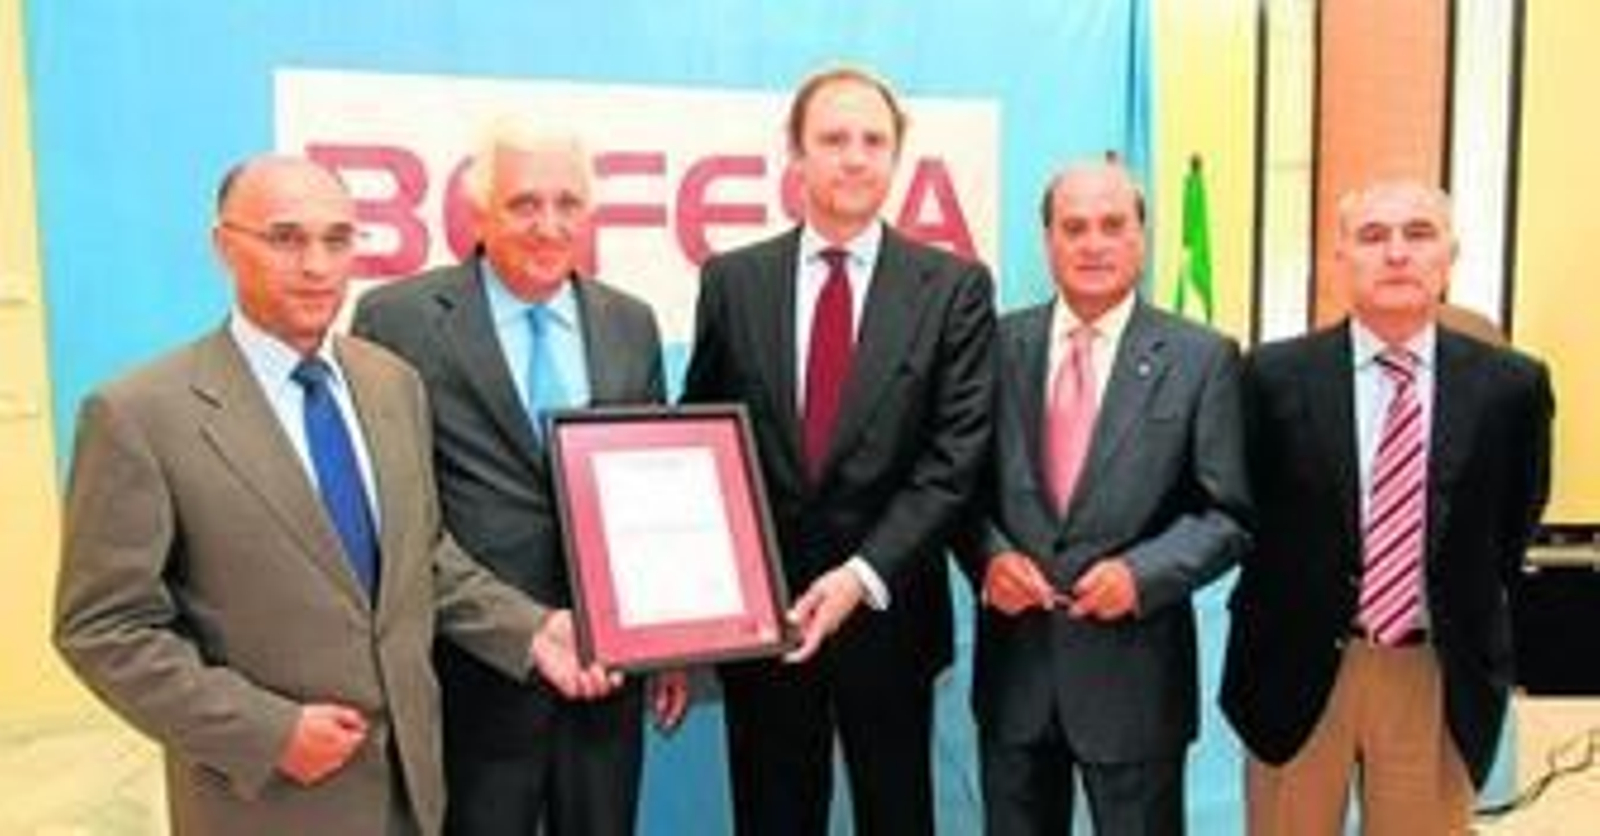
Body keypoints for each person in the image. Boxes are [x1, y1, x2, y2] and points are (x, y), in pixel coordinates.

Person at [52, 155, 617, 836]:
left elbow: (421, 559)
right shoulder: (140, 414)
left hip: (415, 793)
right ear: (223, 245)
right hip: (268, 804)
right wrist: (266, 731)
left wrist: (530, 629)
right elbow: (104, 628)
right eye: (285, 238)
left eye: (338, 239)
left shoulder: (392, 384)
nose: (317, 265)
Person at [681, 65, 996, 835]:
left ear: (896, 157)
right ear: (796, 155)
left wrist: (860, 576)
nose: (854, 157)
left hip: (887, 618)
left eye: (873, 141)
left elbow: (955, 459)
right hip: (766, 629)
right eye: (832, 139)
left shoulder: (953, 287)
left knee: (897, 817)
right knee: (771, 818)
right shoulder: (733, 281)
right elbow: (701, 445)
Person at [352, 122, 686, 836]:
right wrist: (515, 628)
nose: (549, 225)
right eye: (524, 203)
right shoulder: (396, 321)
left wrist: (667, 639)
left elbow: (648, 493)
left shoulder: (630, 322)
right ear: (478, 210)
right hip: (470, 675)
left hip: (606, 678)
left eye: (568, 203)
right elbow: (392, 515)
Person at [1221, 179, 1554, 834]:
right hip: (1298, 668)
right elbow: (1243, 511)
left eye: (1419, 234)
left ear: (1450, 255)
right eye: (1372, 237)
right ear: (1339, 258)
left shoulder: (1511, 386)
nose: (1396, 253)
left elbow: (1515, 523)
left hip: (1433, 670)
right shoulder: (1270, 377)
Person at [954, 159, 1251, 835]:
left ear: (1141, 238)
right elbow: (957, 488)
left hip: (1135, 680)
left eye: (1113, 226)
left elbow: (1228, 513)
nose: (1093, 243)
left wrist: (1141, 576)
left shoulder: (1202, 357)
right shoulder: (992, 347)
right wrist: (988, 558)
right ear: (1048, 241)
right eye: (1074, 227)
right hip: (1016, 679)